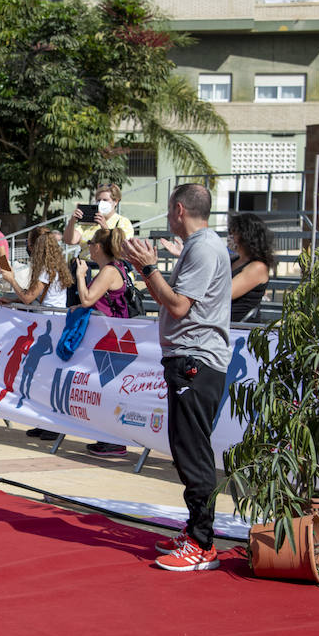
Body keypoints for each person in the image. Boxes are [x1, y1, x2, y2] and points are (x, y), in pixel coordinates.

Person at [122, 183, 231, 572]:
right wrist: (146, 270)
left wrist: (150, 268)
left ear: (179, 209)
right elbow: (173, 300)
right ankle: (195, 532)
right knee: (186, 450)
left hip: (196, 361)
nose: (169, 217)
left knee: (192, 452)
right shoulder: (200, 246)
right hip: (189, 359)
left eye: (170, 210)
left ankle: (202, 544)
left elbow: (179, 306)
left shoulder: (202, 247)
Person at [69, 225, 135, 455]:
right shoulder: (115, 268)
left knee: (109, 389)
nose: (89, 248)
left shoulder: (109, 271)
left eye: (90, 244)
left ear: (98, 247)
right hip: (110, 338)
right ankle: (108, 438)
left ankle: (115, 441)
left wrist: (80, 276)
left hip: (113, 340)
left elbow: (87, 299)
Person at [0, 226, 72, 309]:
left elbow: (27, 298)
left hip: (47, 317)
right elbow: (35, 295)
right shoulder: (53, 265)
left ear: (35, 247)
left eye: (28, 244)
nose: (28, 248)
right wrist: (13, 301)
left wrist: (11, 279)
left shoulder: (46, 270)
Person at [63, 184, 135, 257]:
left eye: (105, 200)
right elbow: (69, 240)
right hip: (85, 265)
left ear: (115, 201)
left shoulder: (122, 221)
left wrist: (105, 228)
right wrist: (72, 222)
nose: (101, 203)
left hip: (108, 267)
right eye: (98, 200)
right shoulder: (89, 221)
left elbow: (122, 248)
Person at [227, 212, 275, 322]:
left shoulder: (258, 267)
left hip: (240, 329)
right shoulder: (234, 260)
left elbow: (226, 293)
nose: (231, 237)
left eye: (234, 233)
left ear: (246, 236)